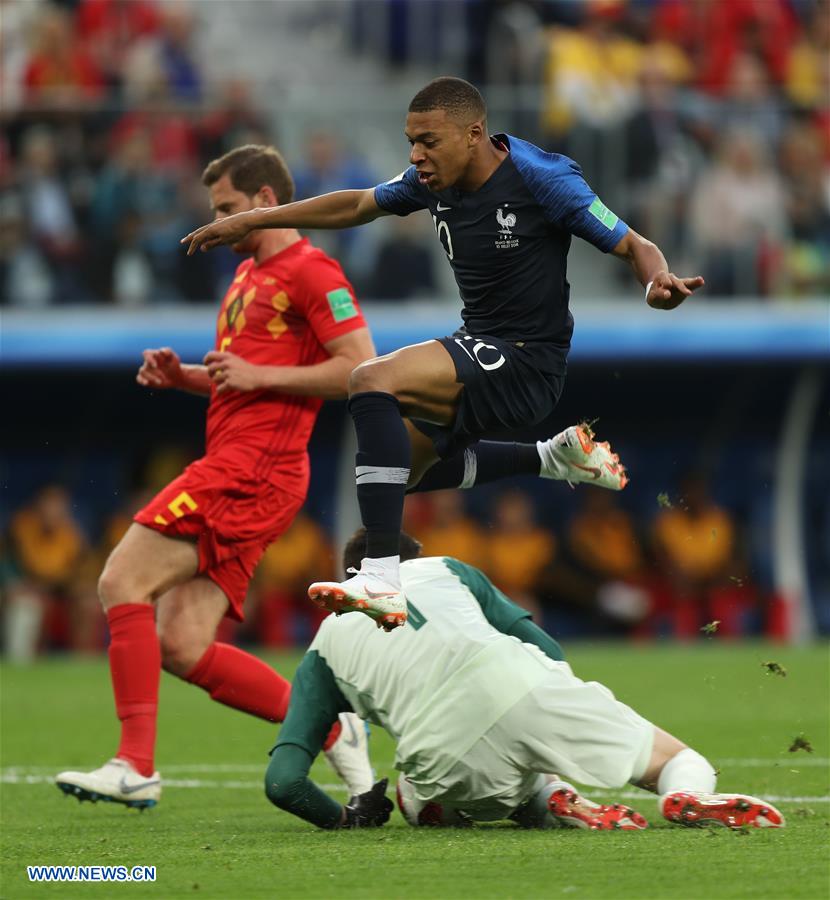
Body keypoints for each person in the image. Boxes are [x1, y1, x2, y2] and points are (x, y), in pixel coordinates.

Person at [182, 76, 704, 630]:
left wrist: (656, 285)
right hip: (479, 345)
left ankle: (381, 577)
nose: (416, 156)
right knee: (392, 474)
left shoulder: (543, 178)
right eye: (411, 141)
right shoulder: (432, 181)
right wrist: (254, 219)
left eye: (427, 141)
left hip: (527, 358)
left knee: (369, 379)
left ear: (474, 134)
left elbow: (632, 244)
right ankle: (550, 458)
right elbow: (358, 205)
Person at [55, 144, 377, 808]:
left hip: (252, 469)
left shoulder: (314, 271)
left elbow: (361, 369)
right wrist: (187, 379)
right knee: (182, 643)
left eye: (227, 210)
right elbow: (244, 385)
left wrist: (261, 375)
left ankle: (134, 765)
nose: (219, 224)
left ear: (266, 201)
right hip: (241, 464)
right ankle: (330, 728)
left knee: (121, 579)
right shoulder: (245, 277)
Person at [264, 530, 784, 832]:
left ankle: (549, 798)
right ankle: (683, 795)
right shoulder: (446, 569)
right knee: (675, 760)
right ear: (411, 558)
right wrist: (557, 711)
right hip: (519, 682)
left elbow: (284, 783)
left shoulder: (322, 647)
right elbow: (545, 648)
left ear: (349, 577)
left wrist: (343, 819)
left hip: (439, 754)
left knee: (415, 797)